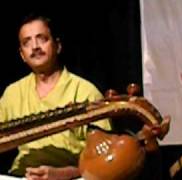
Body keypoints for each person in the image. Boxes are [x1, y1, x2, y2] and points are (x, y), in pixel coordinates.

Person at [0, 14, 111, 180]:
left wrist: (62, 174)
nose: (35, 47)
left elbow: (104, 159)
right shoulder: (13, 93)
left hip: (72, 177)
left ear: (57, 46)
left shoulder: (84, 90)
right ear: (22, 55)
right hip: (21, 176)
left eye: (42, 38)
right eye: (27, 42)